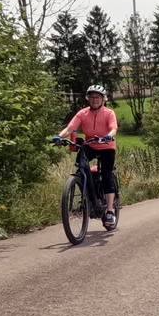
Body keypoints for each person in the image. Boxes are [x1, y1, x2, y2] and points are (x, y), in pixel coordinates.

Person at [54, 84, 119, 229]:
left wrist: (109, 136)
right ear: (87, 99)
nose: (94, 100)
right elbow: (70, 128)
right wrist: (59, 137)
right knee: (81, 167)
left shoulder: (109, 113)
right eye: (91, 97)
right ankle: (87, 194)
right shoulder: (82, 113)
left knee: (107, 175)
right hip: (90, 144)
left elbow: (113, 128)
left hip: (107, 146)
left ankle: (109, 211)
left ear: (103, 99)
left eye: (97, 97)